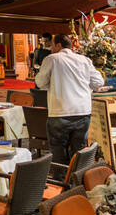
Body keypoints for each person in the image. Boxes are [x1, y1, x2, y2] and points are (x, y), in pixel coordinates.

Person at [36, 33, 105, 164]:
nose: (51, 48)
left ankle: (61, 181)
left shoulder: (52, 59)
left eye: (52, 45)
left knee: (58, 150)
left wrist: (52, 84)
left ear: (58, 45)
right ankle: (77, 180)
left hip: (60, 112)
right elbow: (98, 82)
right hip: (83, 112)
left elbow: (40, 83)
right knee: (79, 150)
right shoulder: (84, 60)